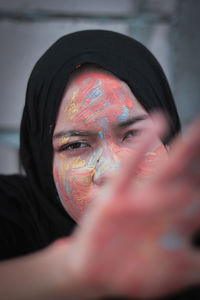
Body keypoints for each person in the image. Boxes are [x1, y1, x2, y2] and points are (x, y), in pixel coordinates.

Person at [0, 30, 199, 300]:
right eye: (74, 145)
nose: (112, 171)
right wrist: (67, 272)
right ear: (43, 162)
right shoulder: (12, 215)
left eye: (133, 134)